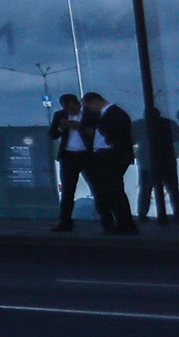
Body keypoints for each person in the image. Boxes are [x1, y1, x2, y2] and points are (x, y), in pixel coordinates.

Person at [79, 91, 137, 234]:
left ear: (95, 102)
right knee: (110, 190)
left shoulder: (115, 114)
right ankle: (121, 222)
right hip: (104, 155)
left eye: (88, 106)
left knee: (114, 190)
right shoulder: (104, 115)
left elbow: (117, 135)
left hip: (111, 155)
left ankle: (124, 223)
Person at [48, 93, 85, 232]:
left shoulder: (88, 114)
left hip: (87, 155)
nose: (69, 111)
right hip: (68, 155)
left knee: (98, 188)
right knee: (67, 191)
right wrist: (61, 128)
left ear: (77, 104)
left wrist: (80, 127)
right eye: (66, 108)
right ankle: (65, 222)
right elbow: (52, 134)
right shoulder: (60, 115)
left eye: (70, 108)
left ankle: (107, 221)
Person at [143, 102, 179, 225]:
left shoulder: (142, 125)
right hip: (167, 158)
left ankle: (142, 214)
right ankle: (178, 213)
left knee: (146, 189)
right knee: (172, 188)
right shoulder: (169, 124)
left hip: (148, 161)